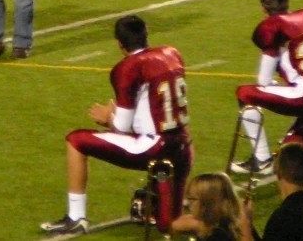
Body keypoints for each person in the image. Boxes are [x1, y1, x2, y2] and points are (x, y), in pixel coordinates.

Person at [40, 15, 194, 235]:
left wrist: (107, 117)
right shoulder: (172, 53)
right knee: (167, 224)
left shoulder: (128, 67)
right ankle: (219, 218)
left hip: (153, 146)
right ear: (146, 33)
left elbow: (121, 126)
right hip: (183, 148)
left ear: (119, 43)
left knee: (75, 140)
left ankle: (75, 217)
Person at [231, 0, 303, 176]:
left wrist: (274, 87)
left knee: (244, 93)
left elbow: (264, 80)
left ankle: (261, 160)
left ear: (263, 7)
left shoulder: (273, 26)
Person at [240, 142, 303, 241]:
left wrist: (244, 227)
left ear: (278, 170)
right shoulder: (302, 208)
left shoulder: (285, 217)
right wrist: (249, 223)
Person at [171, 172, 243, 241]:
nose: (188, 203)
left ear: (209, 203)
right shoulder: (223, 223)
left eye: (192, 199)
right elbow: (176, 225)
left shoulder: (218, 236)